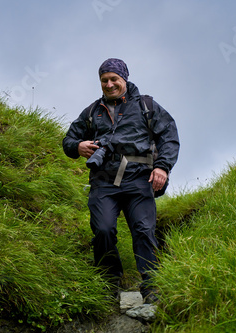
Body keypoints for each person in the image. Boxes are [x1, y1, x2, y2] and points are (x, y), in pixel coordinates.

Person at [62, 58, 179, 303]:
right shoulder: (92, 111)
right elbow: (69, 141)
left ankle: (153, 288)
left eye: (114, 79)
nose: (109, 84)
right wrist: (78, 146)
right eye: (104, 80)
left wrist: (163, 167)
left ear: (124, 78)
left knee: (144, 230)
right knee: (103, 229)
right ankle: (108, 286)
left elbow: (169, 135)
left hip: (139, 178)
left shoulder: (147, 105)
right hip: (104, 181)